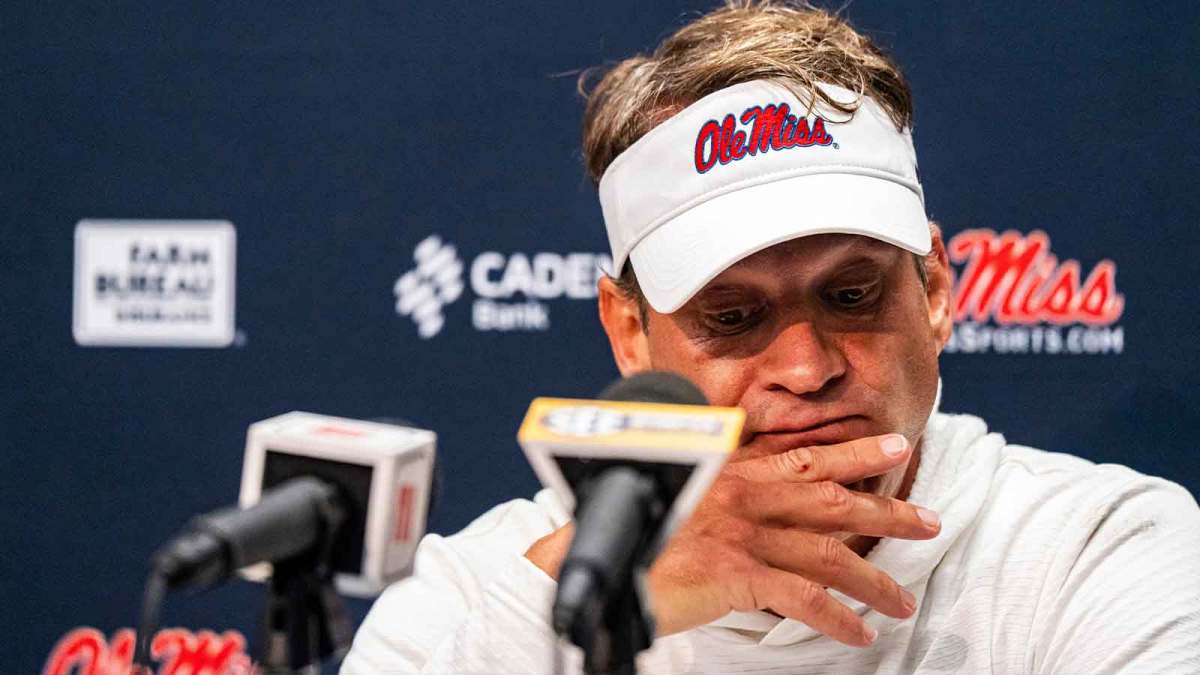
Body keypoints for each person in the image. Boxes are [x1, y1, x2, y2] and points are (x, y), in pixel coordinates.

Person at [341, 2, 1200, 673]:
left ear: (934, 288)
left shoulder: (1103, 550)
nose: (807, 367)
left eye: (852, 293)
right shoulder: (468, 595)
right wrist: (591, 602)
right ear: (629, 333)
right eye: (732, 315)